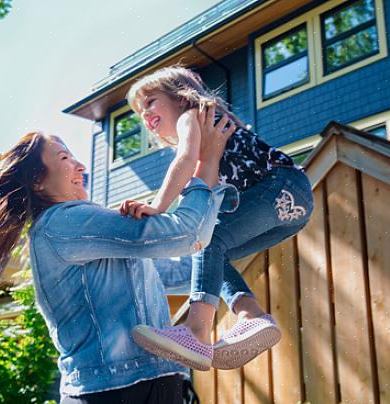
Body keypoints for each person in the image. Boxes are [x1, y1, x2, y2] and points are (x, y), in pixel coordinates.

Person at [0, 109, 237, 403]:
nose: (81, 166)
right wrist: (206, 161)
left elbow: (180, 271)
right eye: (64, 159)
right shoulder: (62, 222)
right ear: (37, 181)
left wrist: (238, 239)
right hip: (114, 392)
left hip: (152, 384)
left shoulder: (89, 233)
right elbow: (188, 234)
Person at [122, 65, 314, 371]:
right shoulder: (209, 126)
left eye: (150, 102)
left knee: (207, 242)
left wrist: (157, 206)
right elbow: (203, 191)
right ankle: (250, 315)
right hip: (293, 209)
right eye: (139, 112)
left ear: (180, 96)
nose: (145, 115)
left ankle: (197, 331)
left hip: (281, 186)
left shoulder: (192, 116)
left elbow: (184, 161)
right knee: (213, 253)